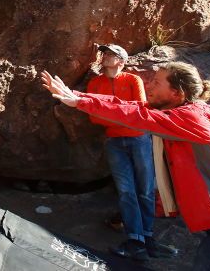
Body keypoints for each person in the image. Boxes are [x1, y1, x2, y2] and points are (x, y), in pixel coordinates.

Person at [41, 63, 210, 270]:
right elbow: (128, 105)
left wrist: (80, 103)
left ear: (177, 93)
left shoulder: (190, 118)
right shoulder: (181, 114)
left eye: (157, 82)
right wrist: (80, 96)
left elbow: (137, 116)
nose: (149, 86)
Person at [85, 44, 158, 260]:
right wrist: (121, 113)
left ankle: (148, 235)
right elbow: (92, 115)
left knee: (145, 188)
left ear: (121, 61)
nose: (105, 56)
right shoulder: (95, 83)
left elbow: (140, 108)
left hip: (139, 138)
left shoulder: (132, 80)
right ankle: (136, 239)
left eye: (111, 54)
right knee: (126, 190)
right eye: (104, 54)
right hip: (115, 141)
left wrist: (110, 112)